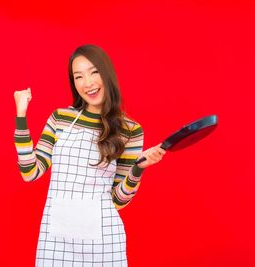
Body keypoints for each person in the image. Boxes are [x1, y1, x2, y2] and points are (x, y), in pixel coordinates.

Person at [13, 44, 166, 266]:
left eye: (94, 72)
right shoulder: (60, 118)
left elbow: (118, 200)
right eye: (79, 76)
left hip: (103, 240)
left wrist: (137, 169)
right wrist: (21, 115)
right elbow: (30, 172)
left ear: (107, 74)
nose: (88, 83)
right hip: (56, 239)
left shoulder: (130, 129)